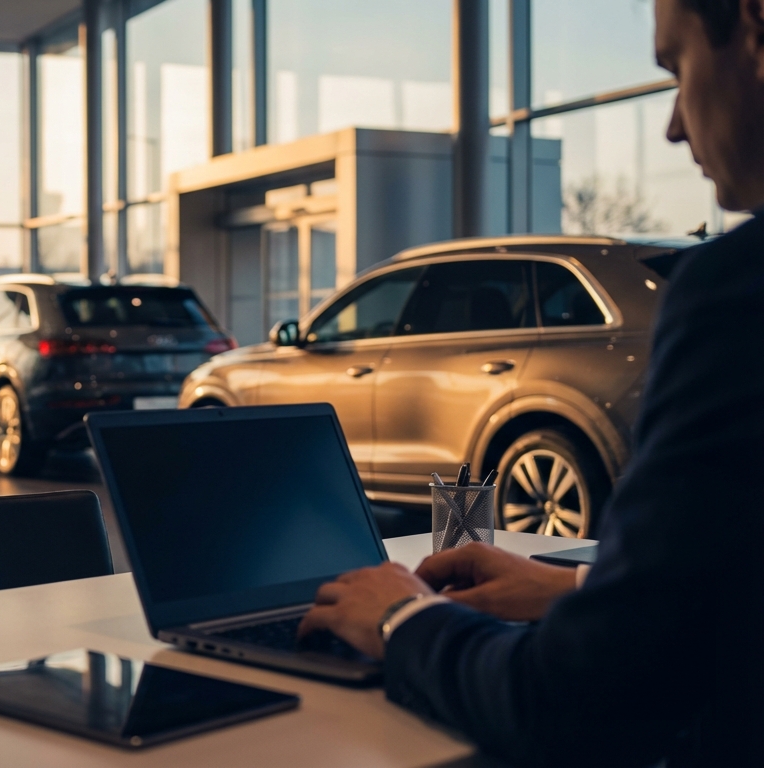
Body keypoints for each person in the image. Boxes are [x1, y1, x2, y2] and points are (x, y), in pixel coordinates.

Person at [297, 0, 764, 765]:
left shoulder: (738, 294)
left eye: (678, 68)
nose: (674, 125)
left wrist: (401, 622)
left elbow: (578, 703)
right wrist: (584, 596)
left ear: (754, 27)